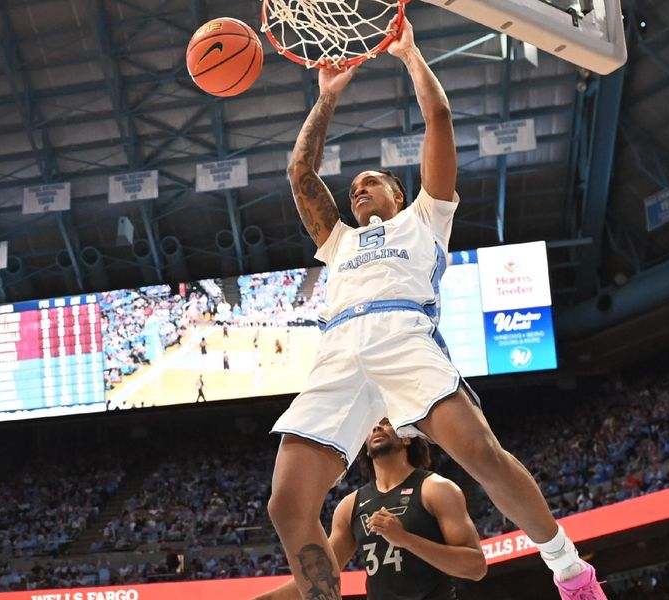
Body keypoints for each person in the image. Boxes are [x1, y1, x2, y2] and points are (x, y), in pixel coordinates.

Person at [270, 16, 606, 600]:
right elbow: (300, 172)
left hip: (404, 335)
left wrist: (408, 54)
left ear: (399, 195)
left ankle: (568, 568)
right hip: (339, 349)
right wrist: (324, 98)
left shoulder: (427, 217)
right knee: (286, 504)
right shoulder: (338, 241)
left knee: (480, 453)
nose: (357, 190)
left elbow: (440, 120)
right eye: (353, 189)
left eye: (371, 183)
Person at [255, 419, 486, 600]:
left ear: (406, 438)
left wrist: (405, 539)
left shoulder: (436, 488)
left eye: (386, 421)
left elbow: (475, 567)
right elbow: (320, 576)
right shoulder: (349, 505)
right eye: (371, 425)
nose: (376, 426)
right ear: (364, 447)